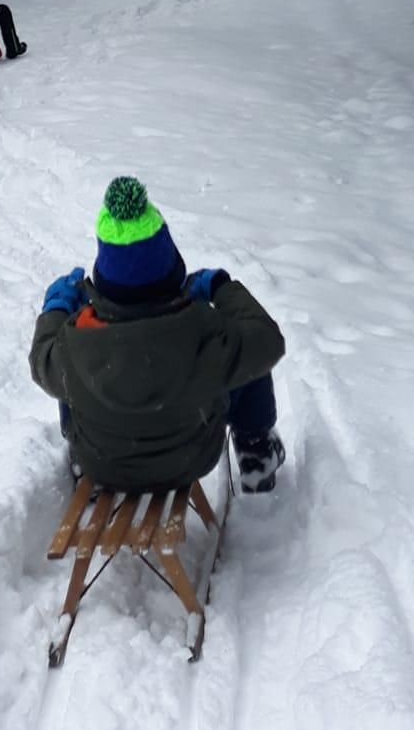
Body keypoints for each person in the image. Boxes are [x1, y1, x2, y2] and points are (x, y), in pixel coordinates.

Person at [30, 177, 287, 494]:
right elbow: (266, 338)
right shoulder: (205, 330)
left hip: (102, 463)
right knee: (242, 347)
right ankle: (255, 449)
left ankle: (83, 470)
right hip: (190, 459)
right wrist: (221, 287)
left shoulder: (77, 339)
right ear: (172, 271)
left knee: (68, 372)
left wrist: (56, 308)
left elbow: (41, 359)